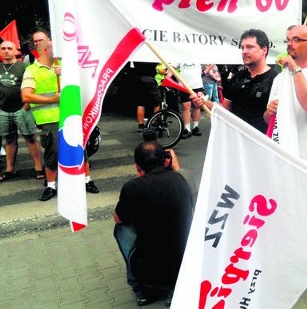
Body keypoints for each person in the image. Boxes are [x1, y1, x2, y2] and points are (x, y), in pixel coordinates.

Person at [113, 141, 192, 306]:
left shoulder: (131, 187)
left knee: (121, 227)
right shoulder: (184, 178)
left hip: (147, 270)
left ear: (137, 166)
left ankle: (142, 291)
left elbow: (118, 218)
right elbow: (181, 174)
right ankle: (175, 289)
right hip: (185, 263)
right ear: (166, 161)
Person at [22, 37, 99, 201]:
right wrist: (52, 100)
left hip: (70, 115)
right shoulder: (32, 70)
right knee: (53, 152)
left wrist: (65, 74)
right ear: (46, 51)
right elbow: (26, 95)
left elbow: (81, 86)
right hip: (49, 120)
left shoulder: (64, 67)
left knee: (80, 148)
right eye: (56, 49)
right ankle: (51, 186)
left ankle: (87, 181)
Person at [264, 24, 307, 173]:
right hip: (285, 161)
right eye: (288, 40)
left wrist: (294, 68)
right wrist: (269, 112)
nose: (290, 44)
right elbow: (268, 120)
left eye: (296, 39)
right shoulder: (279, 79)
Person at [191, 29, 280, 134]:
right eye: (242, 47)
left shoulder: (277, 79)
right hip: (235, 139)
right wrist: (204, 102)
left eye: (250, 47)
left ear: (264, 50)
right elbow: (225, 108)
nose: (244, 51)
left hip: (261, 142)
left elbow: (278, 121)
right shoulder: (237, 77)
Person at [0, 40, 44, 182]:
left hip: (22, 108)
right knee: (9, 139)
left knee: (30, 138)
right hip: (3, 110)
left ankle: (38, 167)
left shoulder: (25, 67)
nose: (6, 51)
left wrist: (27, 104)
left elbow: (34, 85)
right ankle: (10, 169)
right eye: (3, 48)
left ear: (15, 51)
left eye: (9, 48)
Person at [171, 62, 204, 138]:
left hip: (197, 85)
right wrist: (168, 77)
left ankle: (195, 127)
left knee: (197, 106)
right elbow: (172, 67)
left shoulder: (197, 54)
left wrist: (204, 73)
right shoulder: (179, 56)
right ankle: (187, 129)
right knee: (186, 106)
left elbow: (210, 64)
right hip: (184, 85)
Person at [132, 62, 161, 133]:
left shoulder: (137, 56)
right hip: (149, 78)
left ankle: (141, 125)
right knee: (157, 102)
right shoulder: (150, 56)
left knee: (141, 103)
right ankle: (154, 122)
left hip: (138, 79)